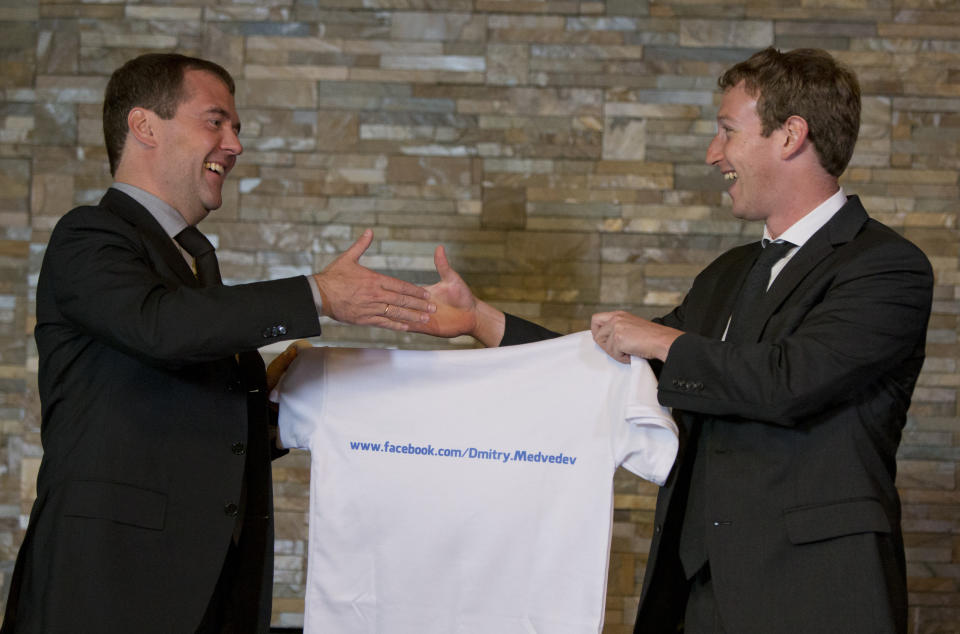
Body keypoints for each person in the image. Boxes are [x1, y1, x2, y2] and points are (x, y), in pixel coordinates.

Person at [425, 47, 933, 633]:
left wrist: (663, 340)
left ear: (791, 135)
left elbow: (789, 382)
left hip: (818, 596)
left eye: (726, 130)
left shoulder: (887, 266)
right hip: (697, 596)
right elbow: (619, 370)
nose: (713, 153)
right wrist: (480, 321)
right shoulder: (726, 273)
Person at [2, 53, 437, 634]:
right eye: (216, 122)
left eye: (236, 128)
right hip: (106, 589)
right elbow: (161, 327)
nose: (233, 145)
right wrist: (318, 295)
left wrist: (274, 410)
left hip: (207, 594)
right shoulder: (89, 236)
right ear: (144, 126)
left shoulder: (192, 270)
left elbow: (175, 413)